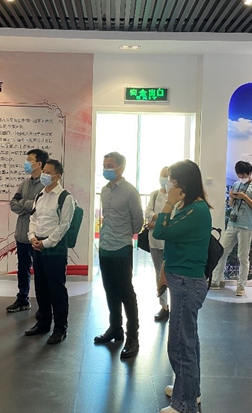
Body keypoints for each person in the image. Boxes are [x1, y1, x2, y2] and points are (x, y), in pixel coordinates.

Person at [153, 160, 211, 413]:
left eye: (172, 181)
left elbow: (160, 232)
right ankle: (189, 391)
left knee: (180, 344)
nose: (168, 185)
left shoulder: (196, 210)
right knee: (187, 340)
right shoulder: (188, 207)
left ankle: (184, 404)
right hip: (181, 278)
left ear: (183, 184)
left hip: (187, 282)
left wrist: (167, 204)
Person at [94, 151, 143, 359]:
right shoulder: (105, 190)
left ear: (121, 168)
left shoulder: (130, 191)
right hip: (105, 246)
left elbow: (138, 222)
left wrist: (125, 233)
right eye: (105, 165)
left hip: (122, 247)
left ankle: (133, 337)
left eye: (110, 165)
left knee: (126, 292)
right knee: (110, 290)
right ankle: (115, 328)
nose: (106, 169)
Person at [24, 159, 75, 345]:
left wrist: (46, 243)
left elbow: (64, 225)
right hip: (38, 246)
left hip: (54, 249)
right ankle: (43, 323)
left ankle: (60, 328)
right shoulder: (40, 195)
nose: (44, 174)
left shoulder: (65, 198)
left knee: (57, 289)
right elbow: (33, 219)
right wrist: (32, 237)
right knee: (41, 287)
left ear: (57, 176)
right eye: (43, 170)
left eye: (48, 172)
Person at [210, 160, 252, 296]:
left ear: (250, 173)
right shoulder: (236, 184)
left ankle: (241, 286)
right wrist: (232, 198)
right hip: (232, 224)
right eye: (239, 175)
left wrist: (244, 197)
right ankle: (215, 281)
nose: (241, 177)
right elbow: (231, 204)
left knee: (243, 257)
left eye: (243, 175)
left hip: (246, 226)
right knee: (222, 252)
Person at [6, 149, 48, 313]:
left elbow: (39, 207)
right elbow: (13, 204)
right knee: (23, 270)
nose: (26, 162)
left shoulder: (45, 185)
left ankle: (43, 305)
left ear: (39, 164)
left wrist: (24, 203)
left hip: (37, 237)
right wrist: (28, 205)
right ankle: (22, 299)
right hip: (21, 235)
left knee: (41, 271)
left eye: (30, 160)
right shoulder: (24, 184)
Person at [145, 166, 170, 321]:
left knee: (170, 274)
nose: (164, 179)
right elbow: (148, 213)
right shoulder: (154, 195)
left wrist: (156, 221)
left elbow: (172, 218)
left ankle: (175, 304)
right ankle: (164, 306)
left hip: (169, 242)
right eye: (162, 175)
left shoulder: (175, 197)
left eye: (167, 176)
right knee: (158, 273)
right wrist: (160, 219)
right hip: (154, 241)